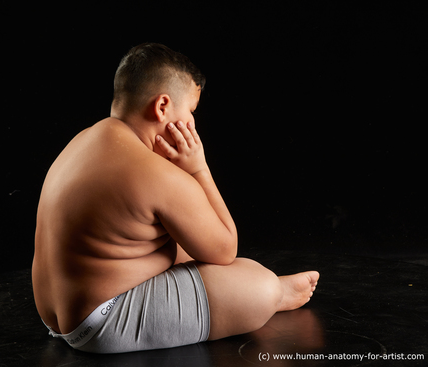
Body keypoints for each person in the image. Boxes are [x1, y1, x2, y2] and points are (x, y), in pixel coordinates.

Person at [32, 43, 319, 354]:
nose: (193, 124)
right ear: (162, 106)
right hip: (101, 322)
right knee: (258, 284)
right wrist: (199, 169)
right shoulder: (153, 172)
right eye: (191, 112)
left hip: (55, 315)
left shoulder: (83, 141)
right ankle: (277, 295)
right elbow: (225, 248)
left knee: (177, 233)